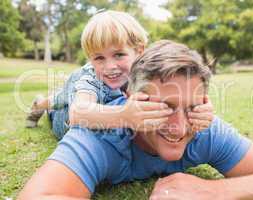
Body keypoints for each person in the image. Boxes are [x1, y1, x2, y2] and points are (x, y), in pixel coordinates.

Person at [19, 40, 253, 200]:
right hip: (67, 114)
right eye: (163, 107)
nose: (179, 127)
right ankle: (43, 102)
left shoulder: (202, 126)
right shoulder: (100, 134)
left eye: (191, 106)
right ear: (131, 97)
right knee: (58, 105)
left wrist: (213, 191)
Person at [26, 10, 213, 140]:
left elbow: (179, 89)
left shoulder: (146, 71)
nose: (110, 66)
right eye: (99, 57)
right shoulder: (92, 78)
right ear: (90, 60)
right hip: (66, 118)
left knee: (66, 95)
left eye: (119, 54)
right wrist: (125, 115)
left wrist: (200, 108)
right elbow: (78, 112)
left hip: (99, 106)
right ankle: (41, 104)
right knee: (59, 101)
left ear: (139, 50)